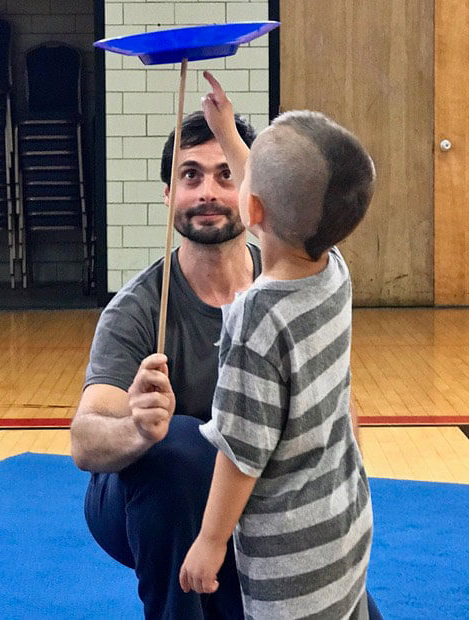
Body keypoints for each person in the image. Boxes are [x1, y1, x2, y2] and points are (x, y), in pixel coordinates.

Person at [70, 76, 383, 619]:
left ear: (249, 200)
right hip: (156, 499)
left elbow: (315, 422)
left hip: (255, 504)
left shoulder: (276, 300)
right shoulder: (139, 307)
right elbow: (84, 442)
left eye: (224, 175)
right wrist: (135, 428)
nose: (209, 191)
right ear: (168, 193)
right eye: (190, 176)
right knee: (180, 450)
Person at [179, 72, 376, 620]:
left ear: (253, 212)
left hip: (289, 560)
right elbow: (273, 201)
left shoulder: (255, 321)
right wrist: (227, 133)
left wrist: (211, 541)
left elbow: (241, 452)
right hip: (345, 523)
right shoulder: (333, 269)